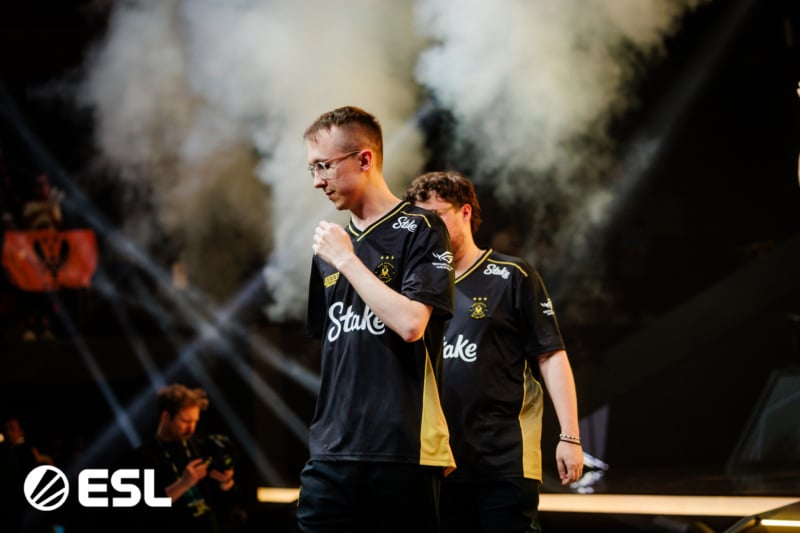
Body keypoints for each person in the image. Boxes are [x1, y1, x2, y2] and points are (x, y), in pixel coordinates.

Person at [299, 106, 456, 533]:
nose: (317, 181)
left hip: (400, 449)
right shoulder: (329, 248)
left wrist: (347, 260)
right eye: (312, 169)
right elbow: (335, 350)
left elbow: (411, 324)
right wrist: (338, 255)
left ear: (364, 160)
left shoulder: (421, 228)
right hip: (331, 452)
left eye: (324, 166)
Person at [404, 171, 584, 533]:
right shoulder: (412, 288)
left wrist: (570, 436)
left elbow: (551, 355)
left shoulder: (513, 275)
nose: (428, 229)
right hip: (437, 462)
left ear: (465, 212)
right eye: (421, 221)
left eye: (436, 216)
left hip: (505, 460)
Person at [135, 384, 243, 533]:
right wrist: (183, 484)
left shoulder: (202, 448)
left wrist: (226, 482)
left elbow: (229, 505)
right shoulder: (144, 456)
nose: (191, 429)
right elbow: (144, 511)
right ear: (166, 417)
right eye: (185, 421)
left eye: (195, 421)